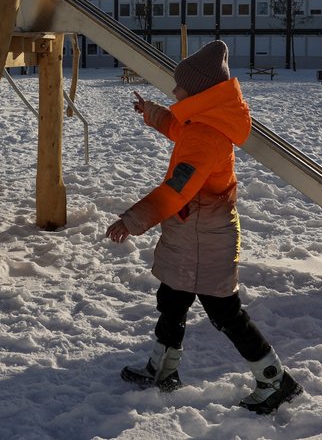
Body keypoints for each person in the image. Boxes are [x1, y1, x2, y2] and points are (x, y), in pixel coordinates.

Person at [105, 40, 302, 414]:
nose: (174, 90)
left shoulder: (206, 136)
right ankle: (162, 369)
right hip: (192, 232)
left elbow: (175, 191)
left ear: (198, 92)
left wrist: (131, 221)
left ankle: (275, 380)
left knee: (225, 312)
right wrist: (153, 113)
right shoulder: (204, 122)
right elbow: (181, 129)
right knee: (173, 300)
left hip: (205, 237)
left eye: (180, 86)